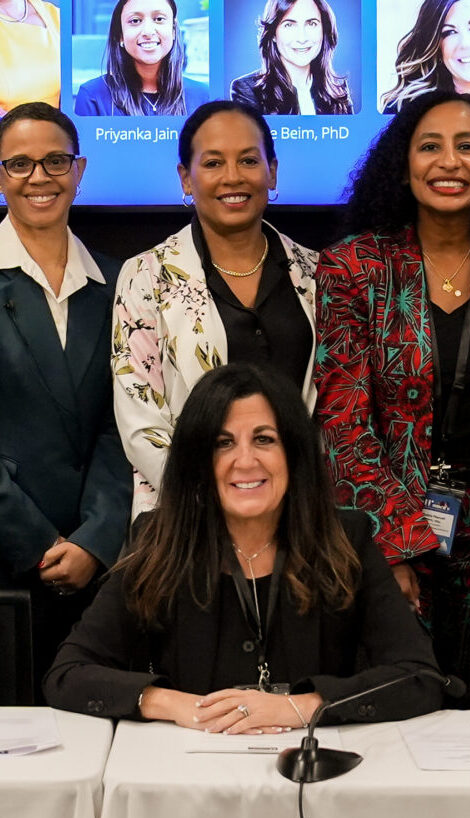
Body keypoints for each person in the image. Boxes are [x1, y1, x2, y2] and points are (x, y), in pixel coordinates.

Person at [317, 95, 470, 704]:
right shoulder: (355, 268)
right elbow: (342, 418)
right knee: (399, 712)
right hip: (388, 540)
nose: (448, 161)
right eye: (430, 146)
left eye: (467, 145)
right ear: (403, 165)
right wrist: (393, 545)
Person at [45, 364, 442, 727]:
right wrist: (173, 704)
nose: (245, 460)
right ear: (199, 461)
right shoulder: (158, 541)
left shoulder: (346, 539)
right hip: (192, 780)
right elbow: (67, 675)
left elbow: (420, 677)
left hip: (315, 778)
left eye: (264, 439)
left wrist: (303, 707)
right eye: (223, 443)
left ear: (294, 452)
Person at [0, 104, 130, 675]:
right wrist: (37, 541)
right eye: (20, 164)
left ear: (79, 170)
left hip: (98, 561)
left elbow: (127, 421)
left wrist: (97, 538)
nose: (40, 178)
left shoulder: (119, 280)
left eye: (56, 161)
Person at [112, 101, 320, 512]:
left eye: (248, 160)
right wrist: (216, 504)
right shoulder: (145, 276)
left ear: (272, 171)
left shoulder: (316, 272)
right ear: (186, 178)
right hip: (185, 516)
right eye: (212, 163)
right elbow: (141, 421)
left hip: (303, 513)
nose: (232, 177)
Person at [72, 0, 211, 116]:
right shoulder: (92, 97)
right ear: (120, 34)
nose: (148, 31)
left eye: (159, 19)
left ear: (173, 31)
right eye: (135, 21)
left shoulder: (204, 97)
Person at [230, 0, 355, 115]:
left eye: (311, 24)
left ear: (324, 30)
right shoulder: (247, 91)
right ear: (273, 34)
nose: (302, 38)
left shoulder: (338, 91)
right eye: (289, 25)